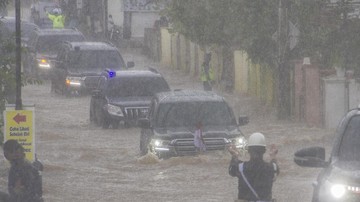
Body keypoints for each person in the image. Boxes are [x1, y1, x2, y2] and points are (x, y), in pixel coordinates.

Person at [228, 133, 279, 202]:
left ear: (248, 151)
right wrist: (273, 155)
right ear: (264, 151)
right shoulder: (271, 168)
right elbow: (275, 168)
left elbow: (231, 170)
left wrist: (234, 155)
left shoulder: (240, 167)